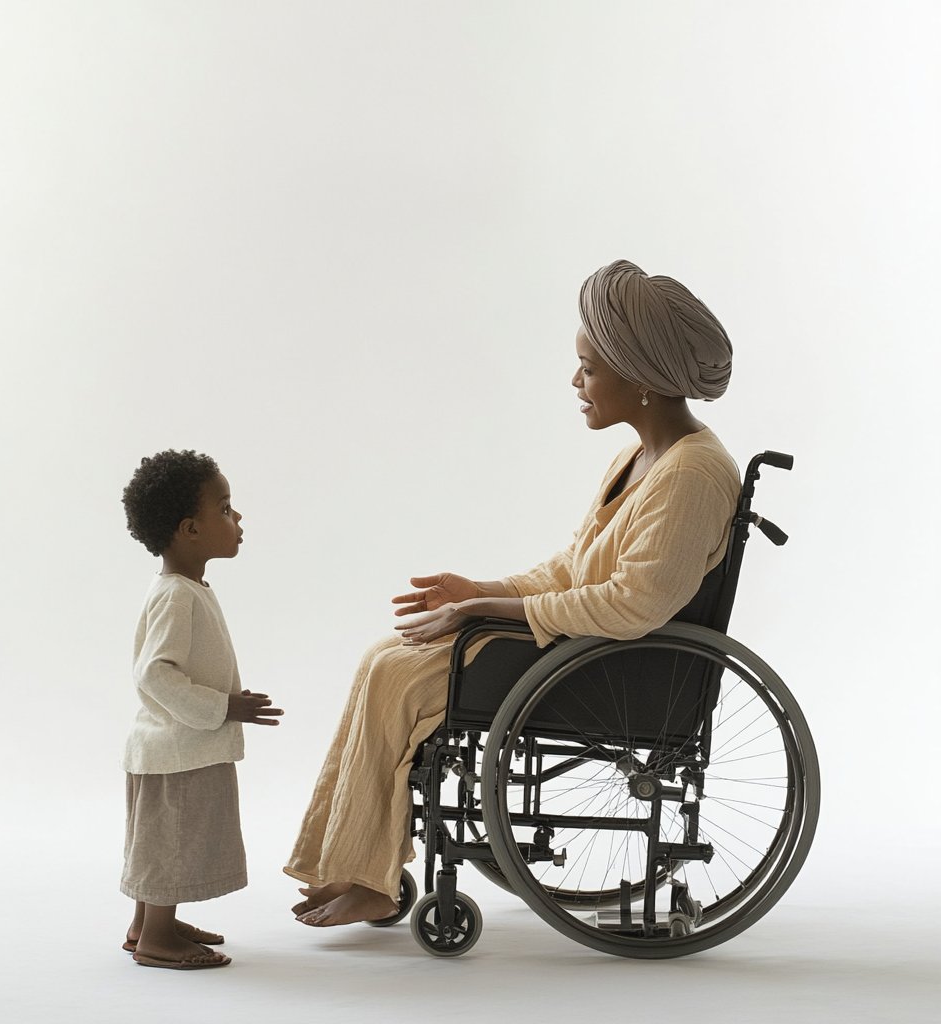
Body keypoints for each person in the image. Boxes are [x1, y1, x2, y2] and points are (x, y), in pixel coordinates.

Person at [285, 259, 740, 928]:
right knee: (385, 655)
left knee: (395, 672)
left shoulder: (692, 473)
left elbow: (633, 603)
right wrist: (482, 590)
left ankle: (371, 876)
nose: (576, 382)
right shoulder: (640, 458)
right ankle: (360, 866)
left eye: (589, 367)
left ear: (640, 380)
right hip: (576, 648)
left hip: (607, 668)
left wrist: (485, 612)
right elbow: (574, 568)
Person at [120, 449, 284, 969]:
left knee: (166, 840)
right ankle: (157, 941)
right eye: (226, 508)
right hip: (178, 750)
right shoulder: (177, 596)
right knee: (173, 841)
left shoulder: (187, 588)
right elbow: (154, 673)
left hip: (175, 747)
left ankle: (148, 923)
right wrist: (223, 706)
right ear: (190, 530)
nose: (238, 519)